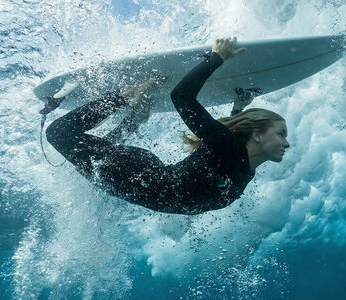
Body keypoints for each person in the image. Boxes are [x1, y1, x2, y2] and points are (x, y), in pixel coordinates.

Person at [45, 37, 290, 215]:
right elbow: (181, 96)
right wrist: (216, 58)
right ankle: (126, 96)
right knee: (58, 133)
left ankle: (133, 118)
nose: (287, 143)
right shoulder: (224, 144)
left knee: (95, 152)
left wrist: (239, 108)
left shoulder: (245, 165)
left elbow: (234, 142)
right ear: (258, 135)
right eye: (281, 134)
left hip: (139, 176)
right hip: (133, 177)